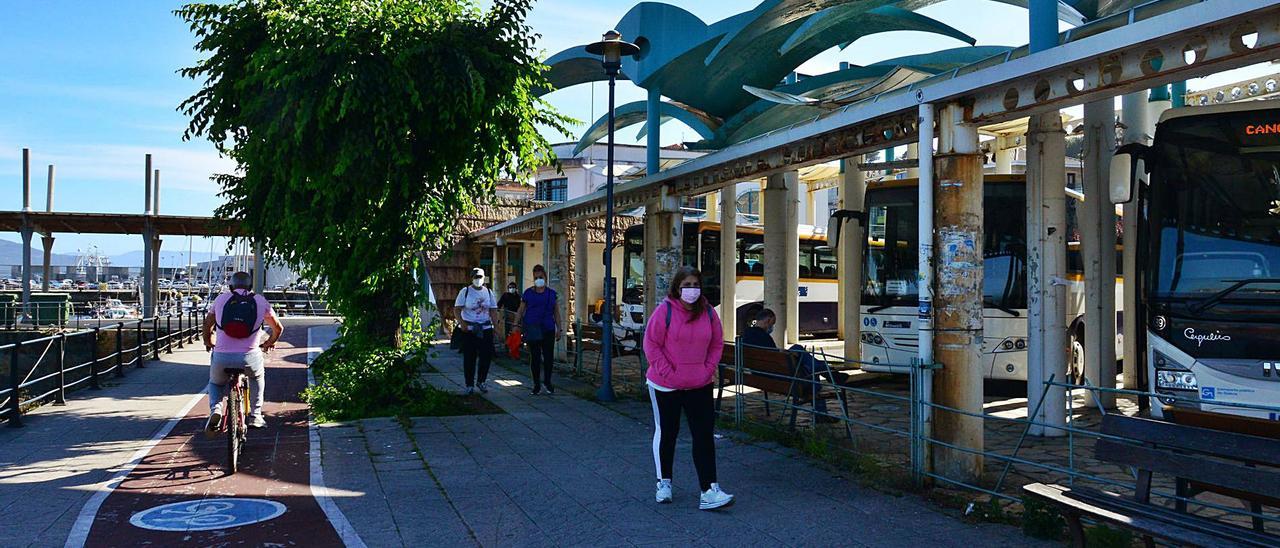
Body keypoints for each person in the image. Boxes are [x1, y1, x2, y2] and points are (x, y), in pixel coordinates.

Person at [643, 266, 734, 511]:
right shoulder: (665, 312)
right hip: (665, 385)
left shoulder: (708, 313)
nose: (691, 290)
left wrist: (708, 369)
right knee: (667, 432)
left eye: (696, 285)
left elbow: (716, 343)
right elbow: (651, 344)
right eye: (687, 285)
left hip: (699, 383)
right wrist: (667, 372)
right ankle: (664, 482)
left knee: (703, 435)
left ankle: (709, 489)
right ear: (677, 288)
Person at [202, 271, 282, 433]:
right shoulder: (259, 301)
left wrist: (208, 342)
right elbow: (278, 328)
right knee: (257, 376)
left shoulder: (221, 299)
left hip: (222, 357)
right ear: (250, 286)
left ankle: (216, 409)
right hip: (249, 357)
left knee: (216, 383)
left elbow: (207, 325)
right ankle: (256, 415)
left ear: (230, 286)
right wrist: (269, 342)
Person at [743, 308, 838, 423]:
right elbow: (776, 359)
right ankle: (829, 373)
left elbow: (773, 356)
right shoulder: (764, 337)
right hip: (779, 377)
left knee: (799, 352)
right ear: (768, 321)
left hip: (760, 374)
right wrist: (787, 355)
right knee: (811, 370)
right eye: (772, 323)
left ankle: (826, 370)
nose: (772, 327)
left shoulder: (746, 335)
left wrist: (785, 353)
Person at [514, 264, 562, 395]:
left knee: (548, 357)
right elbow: (521, 309)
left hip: (548, 328)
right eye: (536, 277)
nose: (538, 279)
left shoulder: (552, 294)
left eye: (540, 277)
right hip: (532, 328)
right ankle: (536, 384)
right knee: (534, 357)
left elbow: (556, 312)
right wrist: (515, 325)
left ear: (545, 277)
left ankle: (547, 381)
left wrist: (560, 328)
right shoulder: (528, 293)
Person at [454, 267, 499, 395]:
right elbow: (457, 309)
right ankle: (469, 384)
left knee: (486, 356)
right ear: (471, 278)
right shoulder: (466, 291)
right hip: (470, 329)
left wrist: (496, 326)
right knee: (469, 357)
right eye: (475, 277)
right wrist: (462, 323)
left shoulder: (488, 292)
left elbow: (493, 310)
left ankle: (482, 380)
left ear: (484, 278)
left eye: (480, 277)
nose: (478, 280)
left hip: (485, 328)